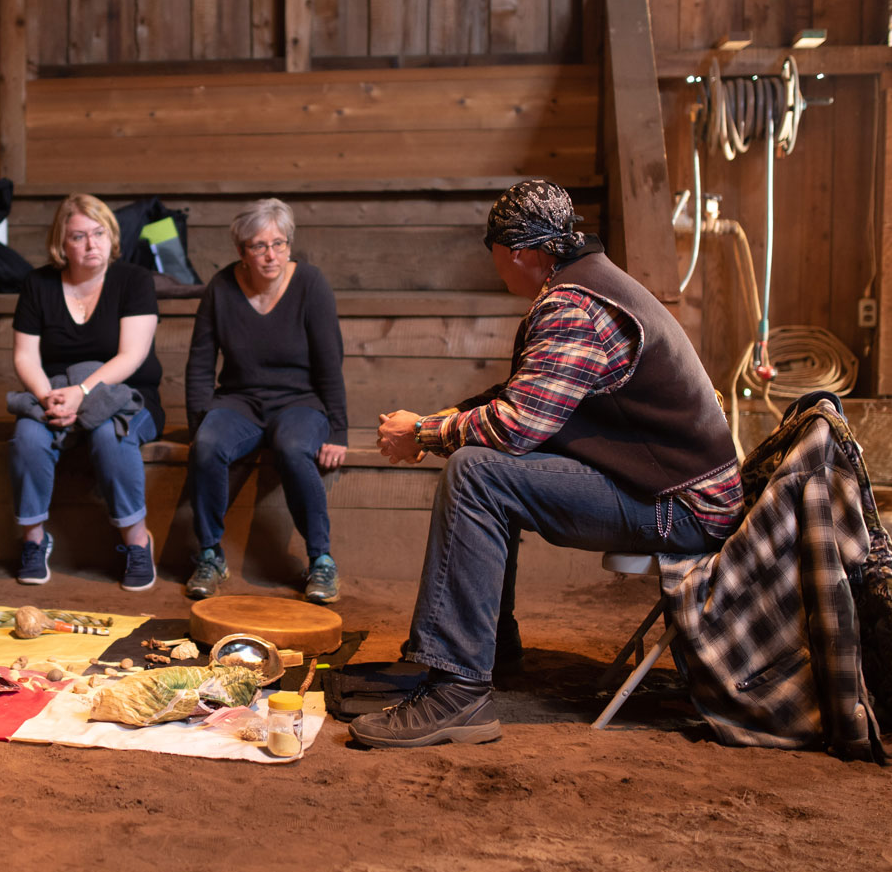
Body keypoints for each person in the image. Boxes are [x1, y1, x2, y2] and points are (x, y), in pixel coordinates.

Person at [354, 178, 742, 750]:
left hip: (679, 508)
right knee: (482, 464)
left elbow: (517, 427)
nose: (497, 271)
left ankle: (457, 688)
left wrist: (423, 432)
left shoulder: (571, 304)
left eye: (496, 258)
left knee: (477, 473)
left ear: (518, 253)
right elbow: (529, 393)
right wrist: (435, 423)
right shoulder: (588, 285)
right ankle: (490, 652)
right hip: (673, 491)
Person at [183, 198, 347, 603]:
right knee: (207, 445)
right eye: (259, 245)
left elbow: (330, 363)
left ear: (289, 245)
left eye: (279, 243)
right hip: (239, 401)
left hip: (300, 401)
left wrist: (339, 430)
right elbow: (200, 364)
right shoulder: (220, 289)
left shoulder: (311, 284)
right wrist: (198, 423)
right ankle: (209, 554)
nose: (270, 254)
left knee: (293, 449)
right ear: (242, 251)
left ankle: (321, 560)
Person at [8, 193, 162, 591]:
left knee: (110, 434)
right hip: (56, 393)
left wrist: (83, 391)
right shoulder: (39, 284)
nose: (92, 244)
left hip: (126, 393)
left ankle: (137, 542)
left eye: (99, 233)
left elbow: (132, 355)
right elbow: (25, 356)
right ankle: (33, 542)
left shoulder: (134, 280)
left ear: (111, 237)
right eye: (79, 237)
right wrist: (47, 398)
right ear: (62, 243)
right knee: (27, 435)